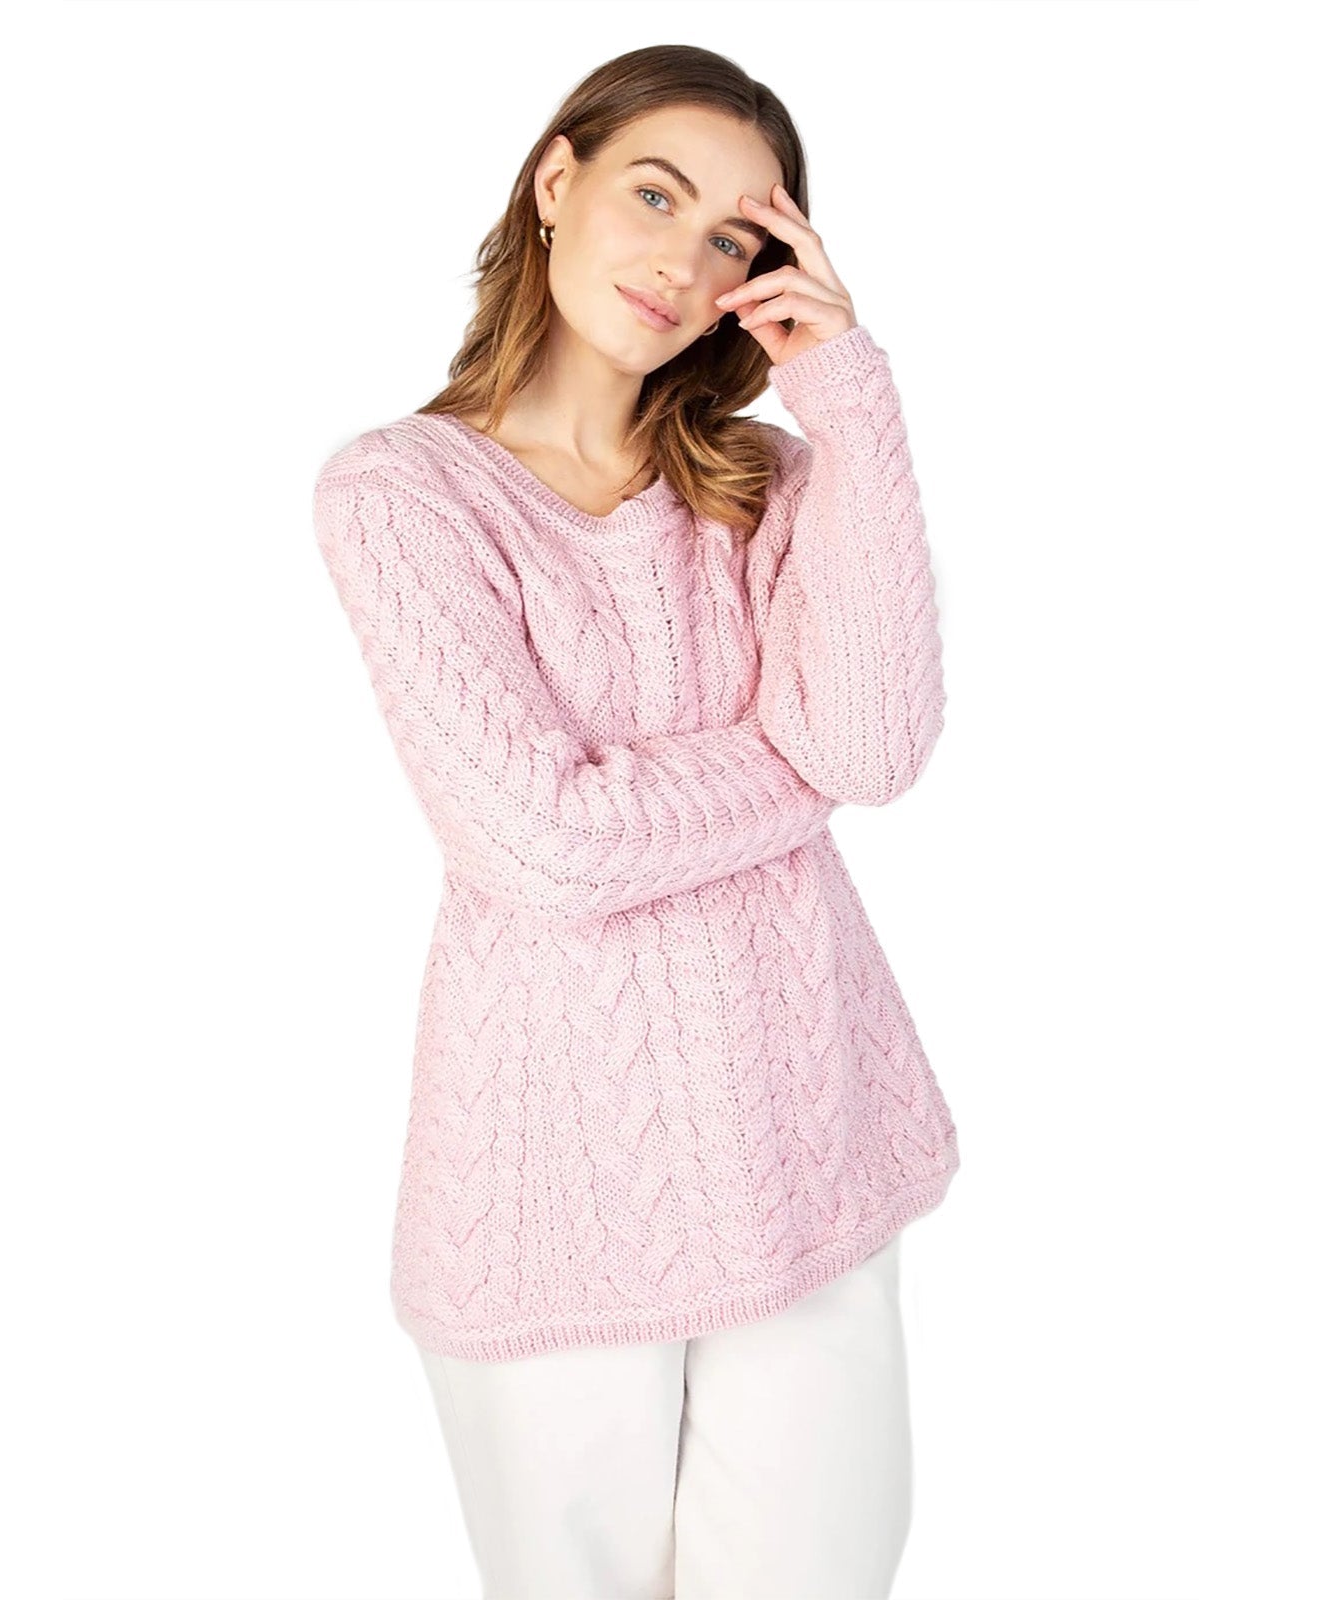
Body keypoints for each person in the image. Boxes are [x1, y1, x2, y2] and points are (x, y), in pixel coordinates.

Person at [311, 43, 959, 1600]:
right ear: (557, 180)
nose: (684, 259)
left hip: (807, 1145)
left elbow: (873, 747)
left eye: (736, 235)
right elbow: (541, 843)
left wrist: (849, 394)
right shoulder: (404, 495)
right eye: (656, 195)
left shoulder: (775, 481)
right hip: (552, 1181)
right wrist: (786, 768)